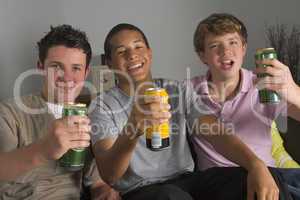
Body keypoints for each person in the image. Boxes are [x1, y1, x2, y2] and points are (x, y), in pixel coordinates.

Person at [89, 23, 287, 200]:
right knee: (171, 196)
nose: (132, 55)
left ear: (149, 53)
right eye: (122, 51)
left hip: (189, 181)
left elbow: (215, 132)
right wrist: (133, 128)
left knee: (250, 179)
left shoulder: (177, 90)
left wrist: (255, 165)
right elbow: (110, 174)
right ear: (109, 63)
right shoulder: (102, 105)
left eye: (138, 47)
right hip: (142, 191)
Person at [0, 24, 120, 200]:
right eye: (57, 67)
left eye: (76, 68)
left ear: (86, 72)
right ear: (41, 67)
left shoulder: (88, 118)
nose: (67, 77)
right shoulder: (9, 113)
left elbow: (96, 182)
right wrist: (44, 149)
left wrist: (104, 191)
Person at [191, 12, 300, 199]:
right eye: (215, 45)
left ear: (243, 48)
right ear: (203, 56)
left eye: (233, 42)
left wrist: (293, 91)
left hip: (274, 175)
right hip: (221, 180)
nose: (226, 52)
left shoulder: (265, 85)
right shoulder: (189, 89)